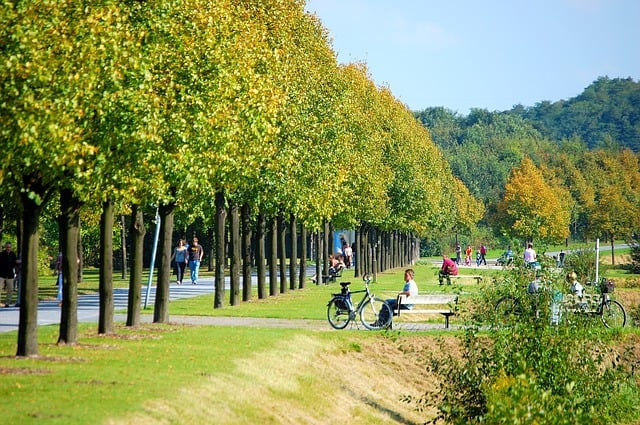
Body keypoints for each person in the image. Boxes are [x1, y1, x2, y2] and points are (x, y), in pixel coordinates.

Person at [0, 242, 20, 307]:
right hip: (1, 274)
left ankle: (7, 303)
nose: (8, 248)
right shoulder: (1, 254)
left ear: (11, 247)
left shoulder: (13, 254)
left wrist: (18, 262)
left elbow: (16, 262)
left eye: (9, 247)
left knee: (10, 289)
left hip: (10, 274)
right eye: (7, 247)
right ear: (5, 247)